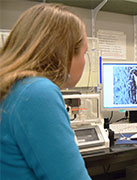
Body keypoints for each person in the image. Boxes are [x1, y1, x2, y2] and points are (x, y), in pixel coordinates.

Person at [0, 4, 92, 180]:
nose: (84, 61)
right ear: (65, 53)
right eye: (84, 53)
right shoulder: (37, 93)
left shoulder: (12, 87)